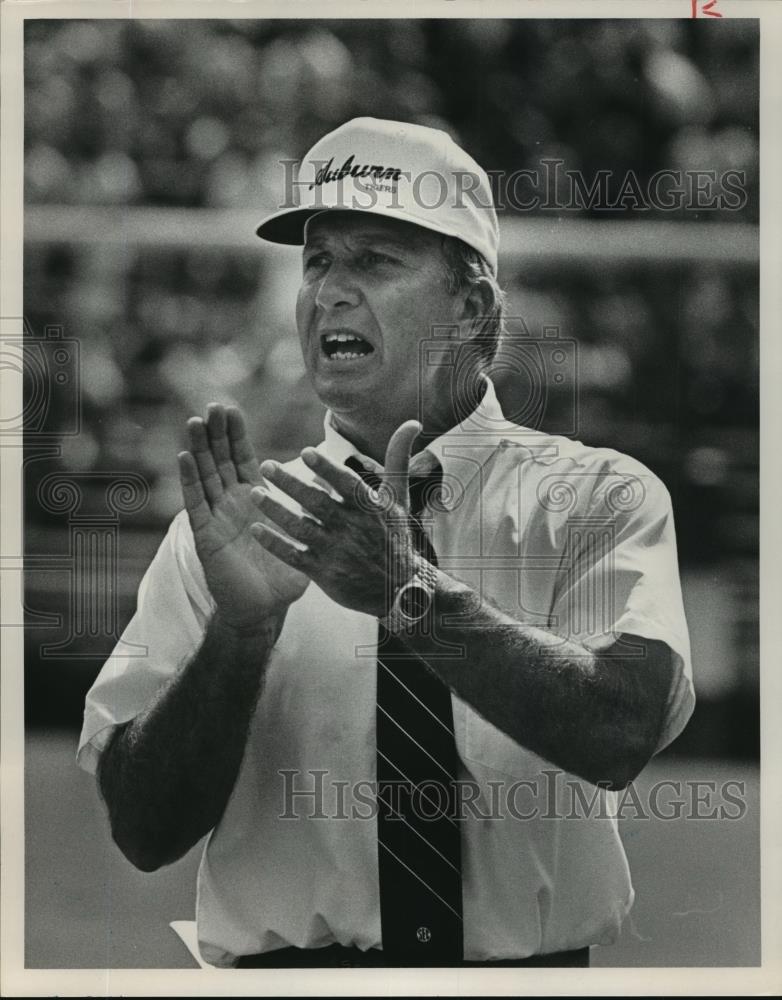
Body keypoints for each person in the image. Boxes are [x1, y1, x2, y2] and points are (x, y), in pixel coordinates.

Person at [77, 118, 695, 969]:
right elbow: (144, 831)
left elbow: (622, 731)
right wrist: (239, 635)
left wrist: (411, 596)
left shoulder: (597, 497)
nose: (329, 290)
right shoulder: (231, 528)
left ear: (472, 306)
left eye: (373, 260)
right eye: (319, 260)